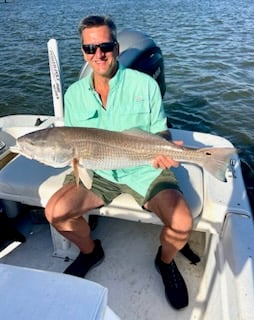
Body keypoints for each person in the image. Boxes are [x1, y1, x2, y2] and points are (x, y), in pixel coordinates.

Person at [45, 15, 193, 310]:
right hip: (97, 170)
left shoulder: (144, 84)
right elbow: (74, 144)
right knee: (56, 212)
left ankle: (165, 262)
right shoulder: (74, 95)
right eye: (90, 48)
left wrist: (163, 148)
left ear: (115, 45)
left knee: (182, 221)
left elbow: (160, 130)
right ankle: (90, 251)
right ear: (83, 51)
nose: (98, 54)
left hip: (143, 166)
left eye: (105, 45)